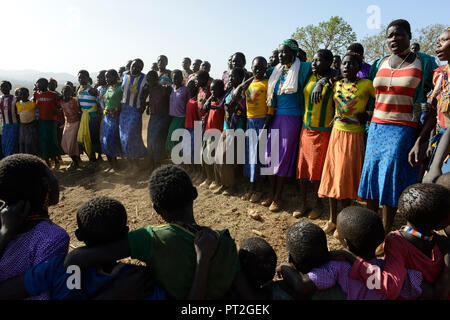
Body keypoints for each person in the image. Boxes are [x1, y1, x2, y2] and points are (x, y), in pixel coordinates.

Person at [64, 165, 240, 300]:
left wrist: (76, 294)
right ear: (194, 194)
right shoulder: (225, 242)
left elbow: (75, 259)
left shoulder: (149, 238)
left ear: (157, 209)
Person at [358, 20, 438, 241]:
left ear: (409, 36)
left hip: (403, 129)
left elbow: (435, 104)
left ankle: (385, 234)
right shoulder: (379, 63)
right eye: (389, 35)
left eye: (399, 35)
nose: (393, 39)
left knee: (391, 179)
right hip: (375, 128)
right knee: (372, 176)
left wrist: (422, 139)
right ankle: (368, 230)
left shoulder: (424, 62)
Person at [279, 207, 425, 300]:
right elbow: (417, 283)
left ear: (346, 243)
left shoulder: (337, 267)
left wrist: (285, 266)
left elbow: (302, 286)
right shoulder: (386, 270)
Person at [345, 183, 450, 300]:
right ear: (440, 225)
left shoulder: (396, 242)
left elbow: (390, 286)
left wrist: (352, 259)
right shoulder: (443, 244)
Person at [318, 53, 375, 235]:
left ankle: (344, 220)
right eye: (344, 63)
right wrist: (321, 82)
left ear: (359, 67)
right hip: (336, 132)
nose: (346, 67)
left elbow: (382, 102)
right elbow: (323, 80)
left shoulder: (367, 84)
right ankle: (332, 219)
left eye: (352, 64)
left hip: (354, 136)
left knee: (345, 177)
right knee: (332, 175)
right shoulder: (335, 83)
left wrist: (368, 115)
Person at [0, 154, 69, 300]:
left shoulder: (3, 227)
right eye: (53, 175)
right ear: (46, 185)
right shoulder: (52, 237)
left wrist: (5, 234)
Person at [262, 39, 315, 212]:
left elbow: (327, 70)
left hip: (293, 118)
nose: (281, 55)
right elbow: (255, 74)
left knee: (283, 157)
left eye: (284, 52)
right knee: (269, 155)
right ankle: (271, 193)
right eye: (279, 52)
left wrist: (322, 82)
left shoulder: (304, 68)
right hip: (276, 117)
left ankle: (278, 197)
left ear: (294, 53)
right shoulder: (274, 70)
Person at [294, 49, 335, 220]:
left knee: (316, 171)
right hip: (306, 129)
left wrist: (325, 80)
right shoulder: (309, 76)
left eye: (318, 61)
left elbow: (338, 75)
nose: (314, 63)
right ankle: (303, 203)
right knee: (302, 169)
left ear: (328, 63)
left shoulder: (334, 79)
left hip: (322, 132)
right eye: (313, 60)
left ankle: (318, 205)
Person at [242, 57, 274, 203]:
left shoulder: (268, 84)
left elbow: (270, 109)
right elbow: (237, 93)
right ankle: (251, 187)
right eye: (255, 67)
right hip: (249, 122)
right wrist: (248, 79)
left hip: (261, 122)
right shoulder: (248, 84)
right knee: (250, 156)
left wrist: (265, 127)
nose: (258, 70)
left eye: (261, 68)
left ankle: (259, 189)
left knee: (259, 157)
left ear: (266, 68)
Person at [422, 28, 450, 182]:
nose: (438, 46)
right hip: (440, 145)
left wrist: (436, 164)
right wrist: (425, 141)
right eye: (437, 42)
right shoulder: (439, 74)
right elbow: (435, 112)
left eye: (444, 41)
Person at [119, 59, 148, 172]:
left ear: (141, 68)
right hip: (124, 111)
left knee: (132, 135)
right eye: (133, 66)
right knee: (124, 137)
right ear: (129, 66)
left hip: (136, 110)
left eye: (138, 66)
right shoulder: (124, 75)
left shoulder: (144, 78)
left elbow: (148, 91)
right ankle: (131, 163)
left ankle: (136, 163)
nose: (135, 68)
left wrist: (144, 104)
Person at [142, 71, 172, 173]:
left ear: (157, 79)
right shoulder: (150, 89)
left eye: (152, 79)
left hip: (163, 117)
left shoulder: (165, 89)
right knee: (150, 140)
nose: (150, 81)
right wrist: (148, 106)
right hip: (154, 117)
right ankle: (152, 164)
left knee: (156, 140)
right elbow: (149, 100)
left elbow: (170, 102)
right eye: (148, 79)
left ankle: (157, 165)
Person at [200, 80, 226, 190]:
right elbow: (204, 108)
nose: (213, 92)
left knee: (215, 159)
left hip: (217, 133)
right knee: (204, 157)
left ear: (222, 90)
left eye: (215, 89)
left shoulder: (222, 101)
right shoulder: (212, 100)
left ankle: (216, 180)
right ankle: (209, 178)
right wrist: (211, 97)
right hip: (208, 131)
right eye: (211, 90)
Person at [34, 78, 62, 169]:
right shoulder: (36, 94)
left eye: (39, 84)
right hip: (41, 122)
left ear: (45, 85)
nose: (38, 85)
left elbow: (60, 106)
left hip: (51, 122)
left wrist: (57, 111)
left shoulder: (53, 95)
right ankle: (47, 163)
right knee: (43, 142)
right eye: (37, 84)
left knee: (52, 141)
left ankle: (56, 160)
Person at [76, 70, 101, 164]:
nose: (81, 79)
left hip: (93, 117)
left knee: (93, 138)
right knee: (83, 138)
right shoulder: (79, 89)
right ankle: (91, 158)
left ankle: (95, 159)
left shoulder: (92, 90)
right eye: (79, 77)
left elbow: (99, 102)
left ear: (87, 78)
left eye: (83, 77)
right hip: (84, 117)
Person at [101, 69, 123, 172]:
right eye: (106, 77)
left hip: (115, 118)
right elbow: (106, 102)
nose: (107, 79)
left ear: (115, 76)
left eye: (109, 76)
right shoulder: (109, 88)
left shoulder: (120, 88)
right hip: (107, 118)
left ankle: (116, 165)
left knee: (111, 139)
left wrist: (118, 109)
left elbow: (123, 102)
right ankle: (111, 165)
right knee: (104, 140)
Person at [166, 70, 188, 156]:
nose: (176, 80)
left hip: (182, 117)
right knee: (171, 138)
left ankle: (178, 158)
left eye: (178, 77)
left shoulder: (185, 90)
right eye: (174, 78)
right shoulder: (171, 88)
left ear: (182, 78)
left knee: (175, 138)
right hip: (172, 117)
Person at [60, 85, 82, 170]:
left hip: (75, 123)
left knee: (72, 145)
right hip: (67, 124)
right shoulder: (61, 101)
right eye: (65, 91)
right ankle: (75, 161)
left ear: (71, 92)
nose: (67, 93)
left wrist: (80, 124)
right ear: (62, 92)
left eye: (68, 91)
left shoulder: (75, 101)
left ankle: (76, 162)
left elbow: (80, 111)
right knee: (64, 144)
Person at [16, 88, 39, 156]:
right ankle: (24, 158)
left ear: (28, 94)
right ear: (19, 95)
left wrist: (35, 122)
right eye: (21, 94)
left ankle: (32, 158)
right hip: (22, 126)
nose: (23, 96)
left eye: (24, 94)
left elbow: (37, 114)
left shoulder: (33, 104)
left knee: (31, 143)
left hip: (31, 126)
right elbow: (17, 115)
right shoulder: (17, 104)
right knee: (22, 142)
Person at [0, 81, 19, 157]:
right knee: (4, 144)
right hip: (4, 126)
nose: (3, 88)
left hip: (14, 126)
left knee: (11, 144)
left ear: (10, 88)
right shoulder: (0, 99)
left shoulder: (15, 99)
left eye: (6, 86)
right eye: (2, 87)